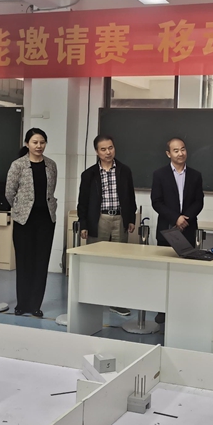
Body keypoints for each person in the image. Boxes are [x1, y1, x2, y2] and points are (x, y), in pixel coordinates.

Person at [77, 134, 137, 316]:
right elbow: (82, 202)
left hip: (119, 219)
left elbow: (130, 196)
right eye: (103, 149)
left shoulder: (125, 171)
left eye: (110, 148)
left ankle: (116, 302)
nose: (108, 152)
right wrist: (84, 224)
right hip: (99, 219)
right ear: (97, 152)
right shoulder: (89, 174)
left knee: (119, 262)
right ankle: (93, 299)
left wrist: (131, 219)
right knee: (95, 261)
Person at [151, 137, 205, 323]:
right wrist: (175, 218)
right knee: (165, 272)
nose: (180, 153)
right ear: (168, 154)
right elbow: (156, 202)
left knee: (186, 272)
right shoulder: (159, 174)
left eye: (183, 149)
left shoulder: (196, 175)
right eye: (176, 150)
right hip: (167, 229)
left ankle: (184, 308)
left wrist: (185, 218)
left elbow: (199, 201)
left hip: (188, 229)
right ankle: (162, 310)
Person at [5, 128, 58, 317]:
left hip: (46, 220)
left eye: (42, 142)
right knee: (24, 261)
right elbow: (9, 192)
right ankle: (22, 303)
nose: (39, 146)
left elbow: (51, 190)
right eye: (35, 142)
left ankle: (35, 304)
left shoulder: (51, 165)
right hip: (24, 220)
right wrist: (20, 207)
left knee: (41, 262)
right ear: (27, 144)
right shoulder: (18, 165)